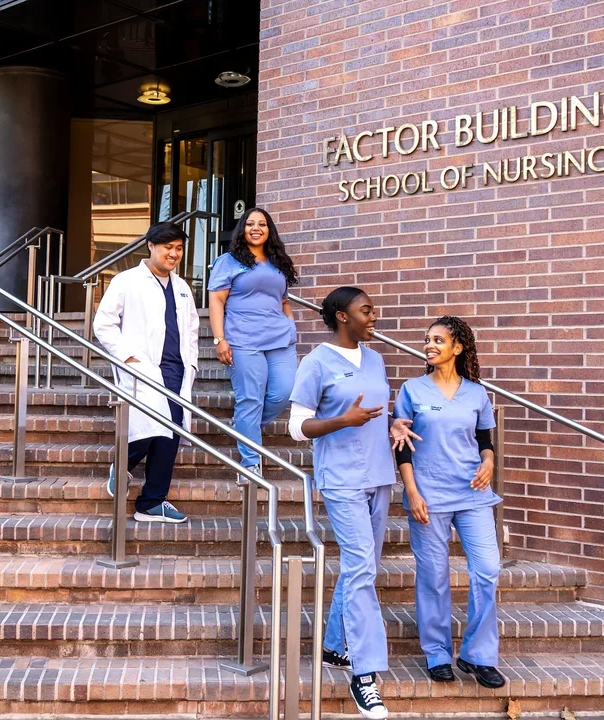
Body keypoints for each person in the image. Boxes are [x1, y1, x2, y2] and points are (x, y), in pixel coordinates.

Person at [288, 286, 394, 720]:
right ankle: (364, 674)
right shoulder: (316, 362)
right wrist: (341, 421)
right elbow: (297, 427)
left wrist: (397, 423)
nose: (374, 315)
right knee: (363, 567)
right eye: (366, 310)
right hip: (342, 478)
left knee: (358, 567)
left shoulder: (375, 359)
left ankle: (334, 647)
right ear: (341, 316)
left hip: (379, 475)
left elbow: (378, 413)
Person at [391, 316, 505, 689]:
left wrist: (488, 462)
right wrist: (411, 491)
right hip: (429, 496)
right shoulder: (412, 390)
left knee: (487, 569)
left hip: (473, 494)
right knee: (434, 578)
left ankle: (477, 654)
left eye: (439, 339)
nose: (430, 345)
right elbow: (402, 447)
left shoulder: (476, 393)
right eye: (427, 339)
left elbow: (485, 440)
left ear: (458, 347)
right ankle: (438, 652)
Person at [92, 222, 200, 524]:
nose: (174, 254)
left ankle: (152, 502)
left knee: (171, 433)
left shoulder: (181, 288)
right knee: (148, 427)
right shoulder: (127, 281)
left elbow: (191, 328)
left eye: (179, 249)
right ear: (151, 246)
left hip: (175, 369)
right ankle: (123, 463)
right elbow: (103, 324)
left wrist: (190, 362)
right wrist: (128, 357)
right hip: (141, 368)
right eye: (168, 247)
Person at [208, 207, 299, 475]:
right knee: (251, 399)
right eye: (250, 224)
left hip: (280, 338)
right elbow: (216, 300)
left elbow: (283, 300)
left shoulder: (278, 261)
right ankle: (250, 463)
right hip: (243, 339)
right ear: (242, 229)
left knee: (283, 392)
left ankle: (245, 425)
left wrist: (291, 326)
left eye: (262, 224)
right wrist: (219, 339)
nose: (256, 228)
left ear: (269, 230)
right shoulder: (229, 261)